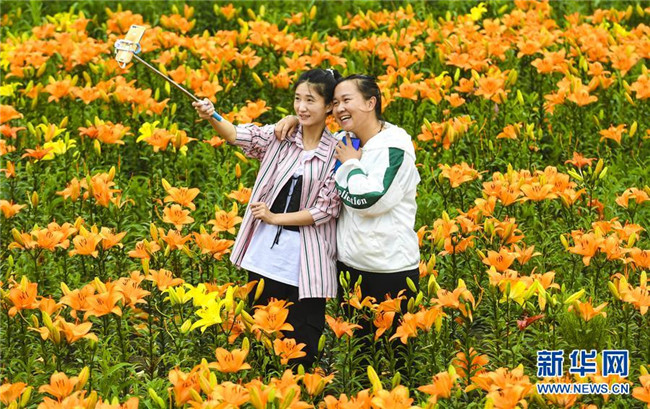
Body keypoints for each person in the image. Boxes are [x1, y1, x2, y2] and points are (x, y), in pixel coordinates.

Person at [193, 69, 342, 368]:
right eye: (297, 99)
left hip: (307, 261)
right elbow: (237, 135)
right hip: (265, 256)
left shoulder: (336, 151)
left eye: (310, 100)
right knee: (261, 332)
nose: (301, 107)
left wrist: (275, 218)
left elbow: (326, 210)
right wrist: (212, 115)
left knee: (303, 340)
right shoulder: (280, 136)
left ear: (329, 106)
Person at [276, 74, 421, 320]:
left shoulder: (394, 147)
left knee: (391, 344)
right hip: (349, 268)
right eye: (335, 103)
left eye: (346, 100)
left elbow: (370, 201)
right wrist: (294, 120)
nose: (339, 108)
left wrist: (351, 165)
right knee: (357, 341)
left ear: (370, 103)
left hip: (388, 270)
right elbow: (311, 141)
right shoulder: (344, 142)